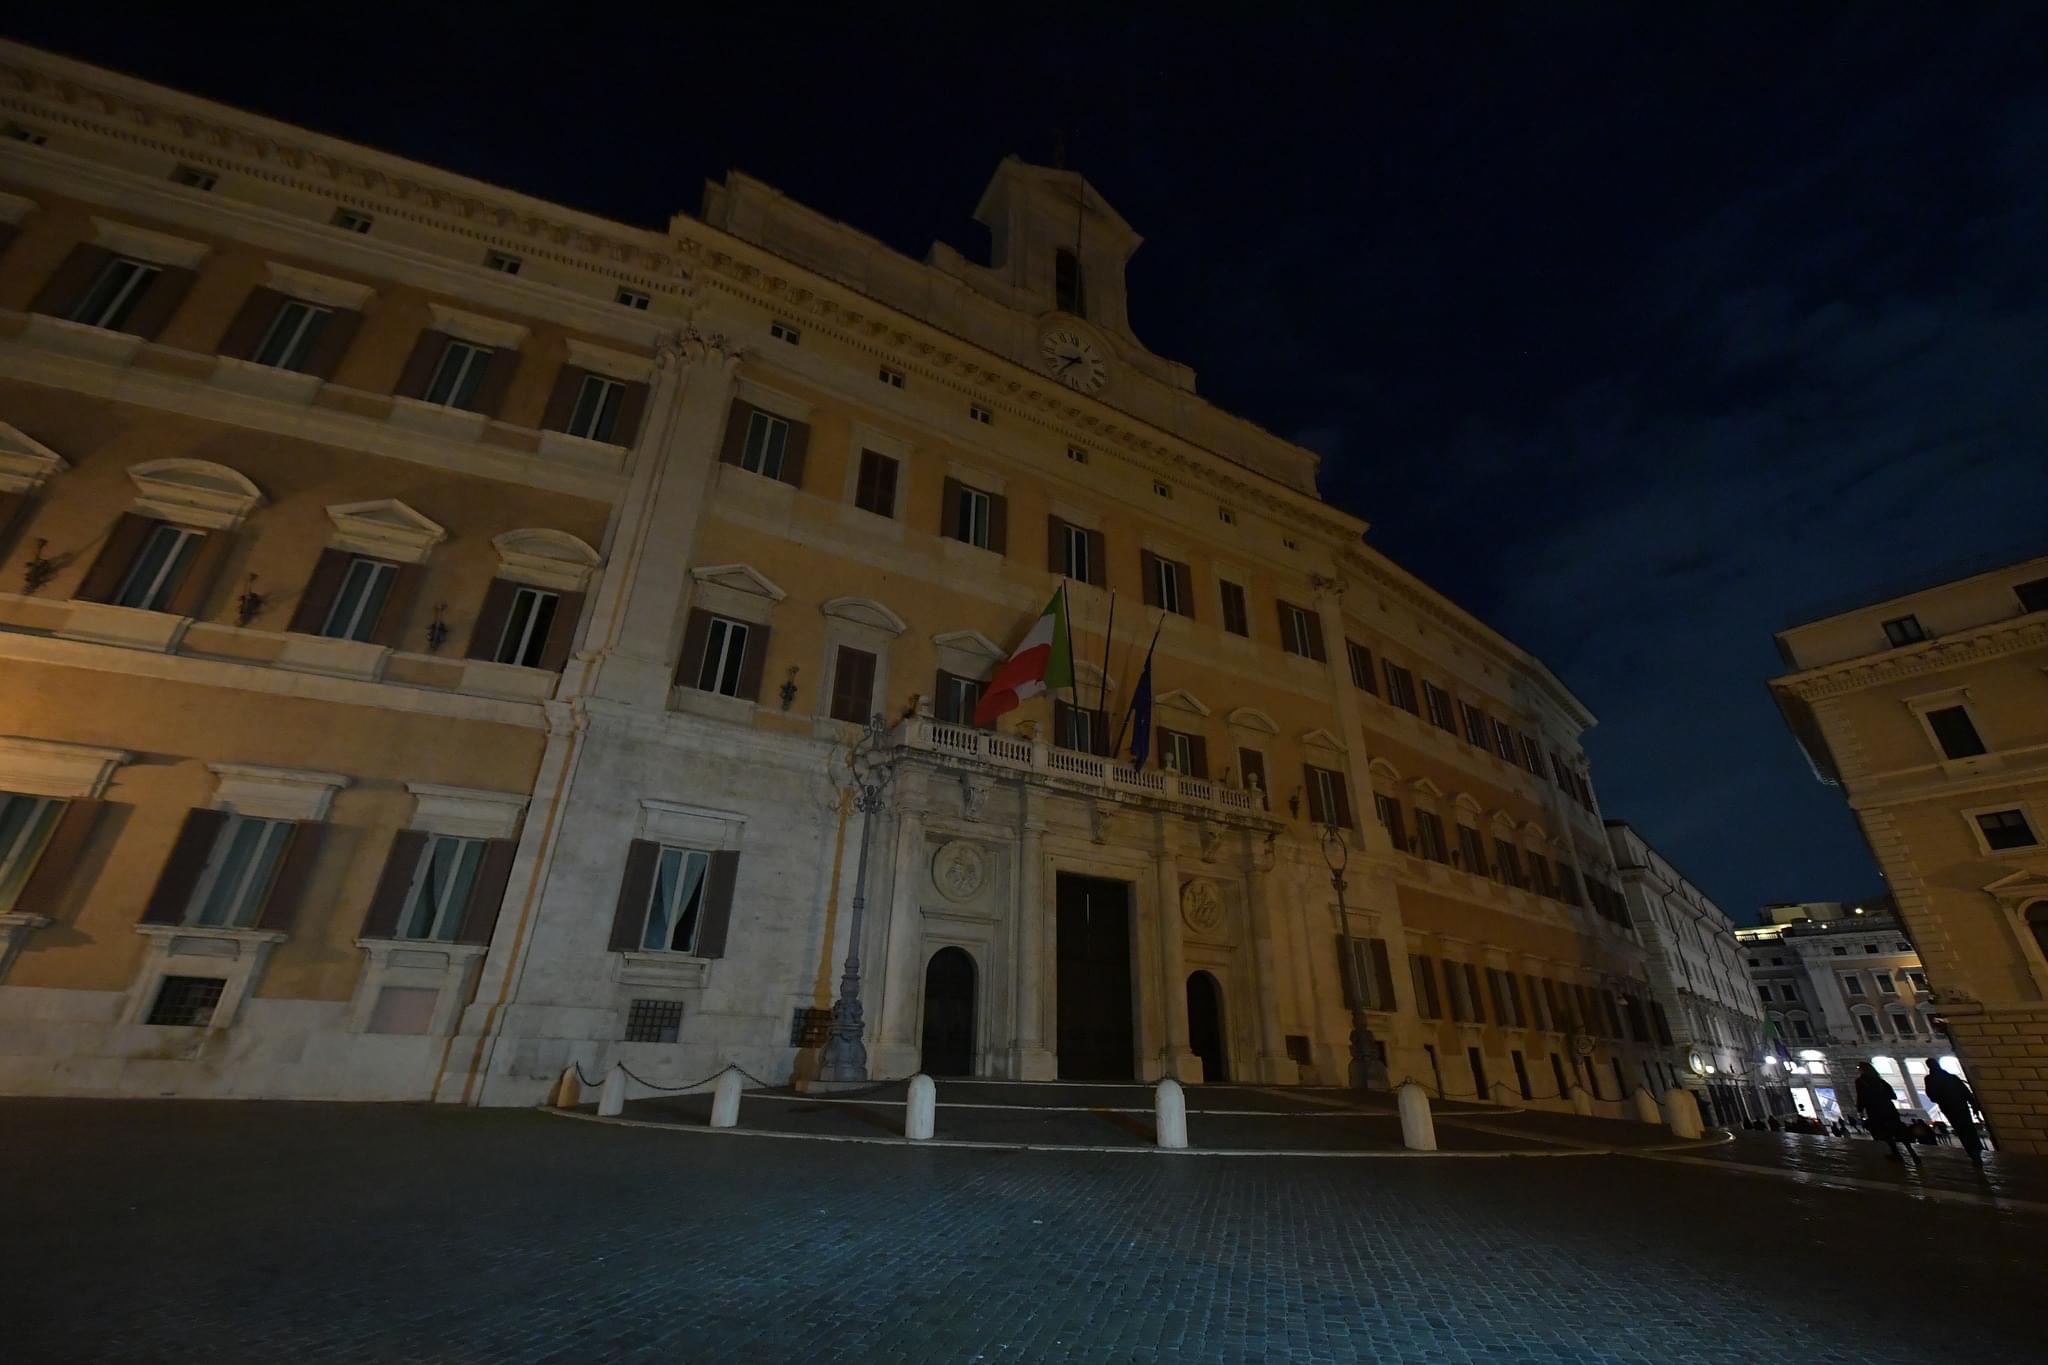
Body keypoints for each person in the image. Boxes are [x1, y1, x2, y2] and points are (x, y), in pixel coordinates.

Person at [1854, 1061, 1919, 1164]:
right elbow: (1893, 1095)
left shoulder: (1860, 1081)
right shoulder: (1880, 1081)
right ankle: (1912, 1153)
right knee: (1898, 1130)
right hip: (1889, 1108)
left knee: (1885, 1132)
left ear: (1862, 1069)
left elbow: (1861, 1096)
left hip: (1875, 1110)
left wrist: (1860, 1110)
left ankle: (1895, 1152)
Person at [1924, 1058, 1985, 1164]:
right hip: (1962, 1106)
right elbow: (1966, 1092)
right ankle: (1976, 1150)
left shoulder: (1930, 1079)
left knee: (1961, 1130)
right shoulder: (1952, 1077)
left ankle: (1973, 1153)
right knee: (1969, 1128)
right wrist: (1974, 1106)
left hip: (1949, 1109)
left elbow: (1932, 1096)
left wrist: (1940, 1098)